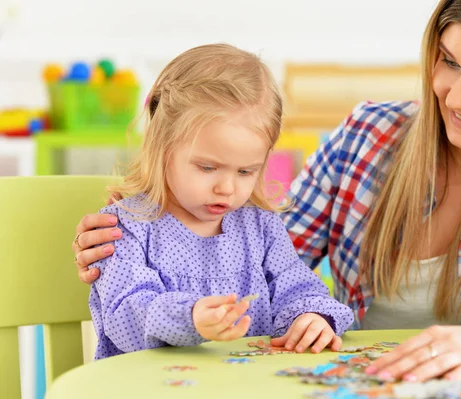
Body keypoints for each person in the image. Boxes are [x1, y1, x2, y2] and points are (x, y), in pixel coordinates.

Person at [73, 0, 461, 382]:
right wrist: (161, 236)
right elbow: (267, 264)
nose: (457, 96)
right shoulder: (368, 137)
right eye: (449, 61)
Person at [86, 43, 354, 360]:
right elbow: (126, 314)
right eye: (208, 167)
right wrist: (191, 318)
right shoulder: (126, 226)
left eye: (245, 171)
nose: (226, 188)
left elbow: (296, 288)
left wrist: (311, 318)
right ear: (162, 148)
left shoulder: (261, 227)